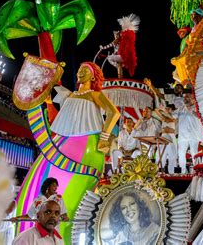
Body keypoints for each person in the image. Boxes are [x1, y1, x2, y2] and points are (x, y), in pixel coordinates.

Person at [16, 62, 120, 242]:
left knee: (73, 200)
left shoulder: (95, 94)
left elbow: (114, 113)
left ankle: (63, 237)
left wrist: (104, 137)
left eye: (85, 70)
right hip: (60, 142)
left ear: (94, 76)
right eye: (79, 69)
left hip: (87, 146)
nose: (80, 72)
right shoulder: (69, 95)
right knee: (39, 184)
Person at [99, 14, 140, 78]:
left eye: (115, 34)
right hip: (124, 58)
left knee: (109, 58)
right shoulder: (122, 40)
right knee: (118, 65)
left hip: (121, 57)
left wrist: (102, 48)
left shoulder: (117, 40)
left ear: (117, 34)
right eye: (114, 34)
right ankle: (120, 77)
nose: (115, 36)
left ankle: (117, 65)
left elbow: (110, 45)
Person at [174, 93, 203, 174]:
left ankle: (196, 172)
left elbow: (201, 117)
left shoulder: (198, 107)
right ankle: (183, 172)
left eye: (187, 97)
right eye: (184, 97)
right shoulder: (181, 109)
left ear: (193, 99)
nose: (185, 99)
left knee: (194, 153)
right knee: (181, 154)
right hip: (182, 136)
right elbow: (172, 117)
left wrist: (193, 111)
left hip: (194, 135)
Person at [154, 104, 178, 174]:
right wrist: (160, 108)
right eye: (166, 108)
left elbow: (172, 119)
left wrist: (164, 111)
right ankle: (158, 171)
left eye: (169, 109)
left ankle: (172, 173)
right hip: (163, 136)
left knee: (172, 155)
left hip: (171, 137)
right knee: (160, 154)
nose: (167, 110)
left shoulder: (175, 116)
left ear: (172, 110)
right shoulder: (163, 118)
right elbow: (156, 110)